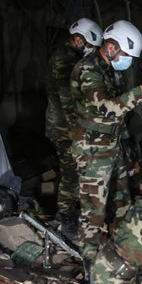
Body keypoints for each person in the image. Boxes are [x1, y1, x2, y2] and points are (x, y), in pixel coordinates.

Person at [70, 19, 142, 266]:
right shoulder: (87, 69)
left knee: (122, 201)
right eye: (126, 55)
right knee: (94, 208)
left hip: (111, 144)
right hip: (91, 149)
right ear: (111, 46)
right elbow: (107, 108)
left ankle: (121, 249)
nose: (127, 61)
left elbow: (119, 115)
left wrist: (127, 145)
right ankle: (90, 261)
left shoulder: (108, 70)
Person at [45, 17, 103, 239]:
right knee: (71, 175)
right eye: (89, 45)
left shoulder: (69, 57)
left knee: (72, 174)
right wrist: (80, 132)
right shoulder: (65, 60)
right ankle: (66, 219)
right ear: (79, 40)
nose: (91, 50)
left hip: (66, 127)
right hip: (65, 129)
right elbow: (68, 100)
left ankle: (64, 213)